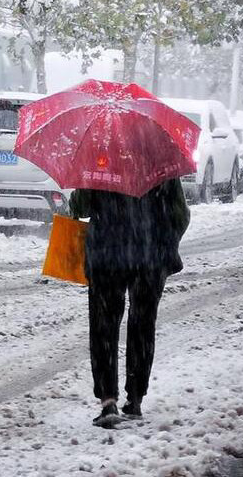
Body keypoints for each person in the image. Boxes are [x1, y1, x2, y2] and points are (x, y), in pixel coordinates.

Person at [69, 178, 190, 428]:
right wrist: (161, 238)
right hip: (150, 255)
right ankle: (135, 399)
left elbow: (80, 208)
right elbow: (181, 215)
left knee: (103, 327)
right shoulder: (160, 161)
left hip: (106, 254)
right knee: (143, 325)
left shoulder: (98, 162)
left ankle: (108, 400)